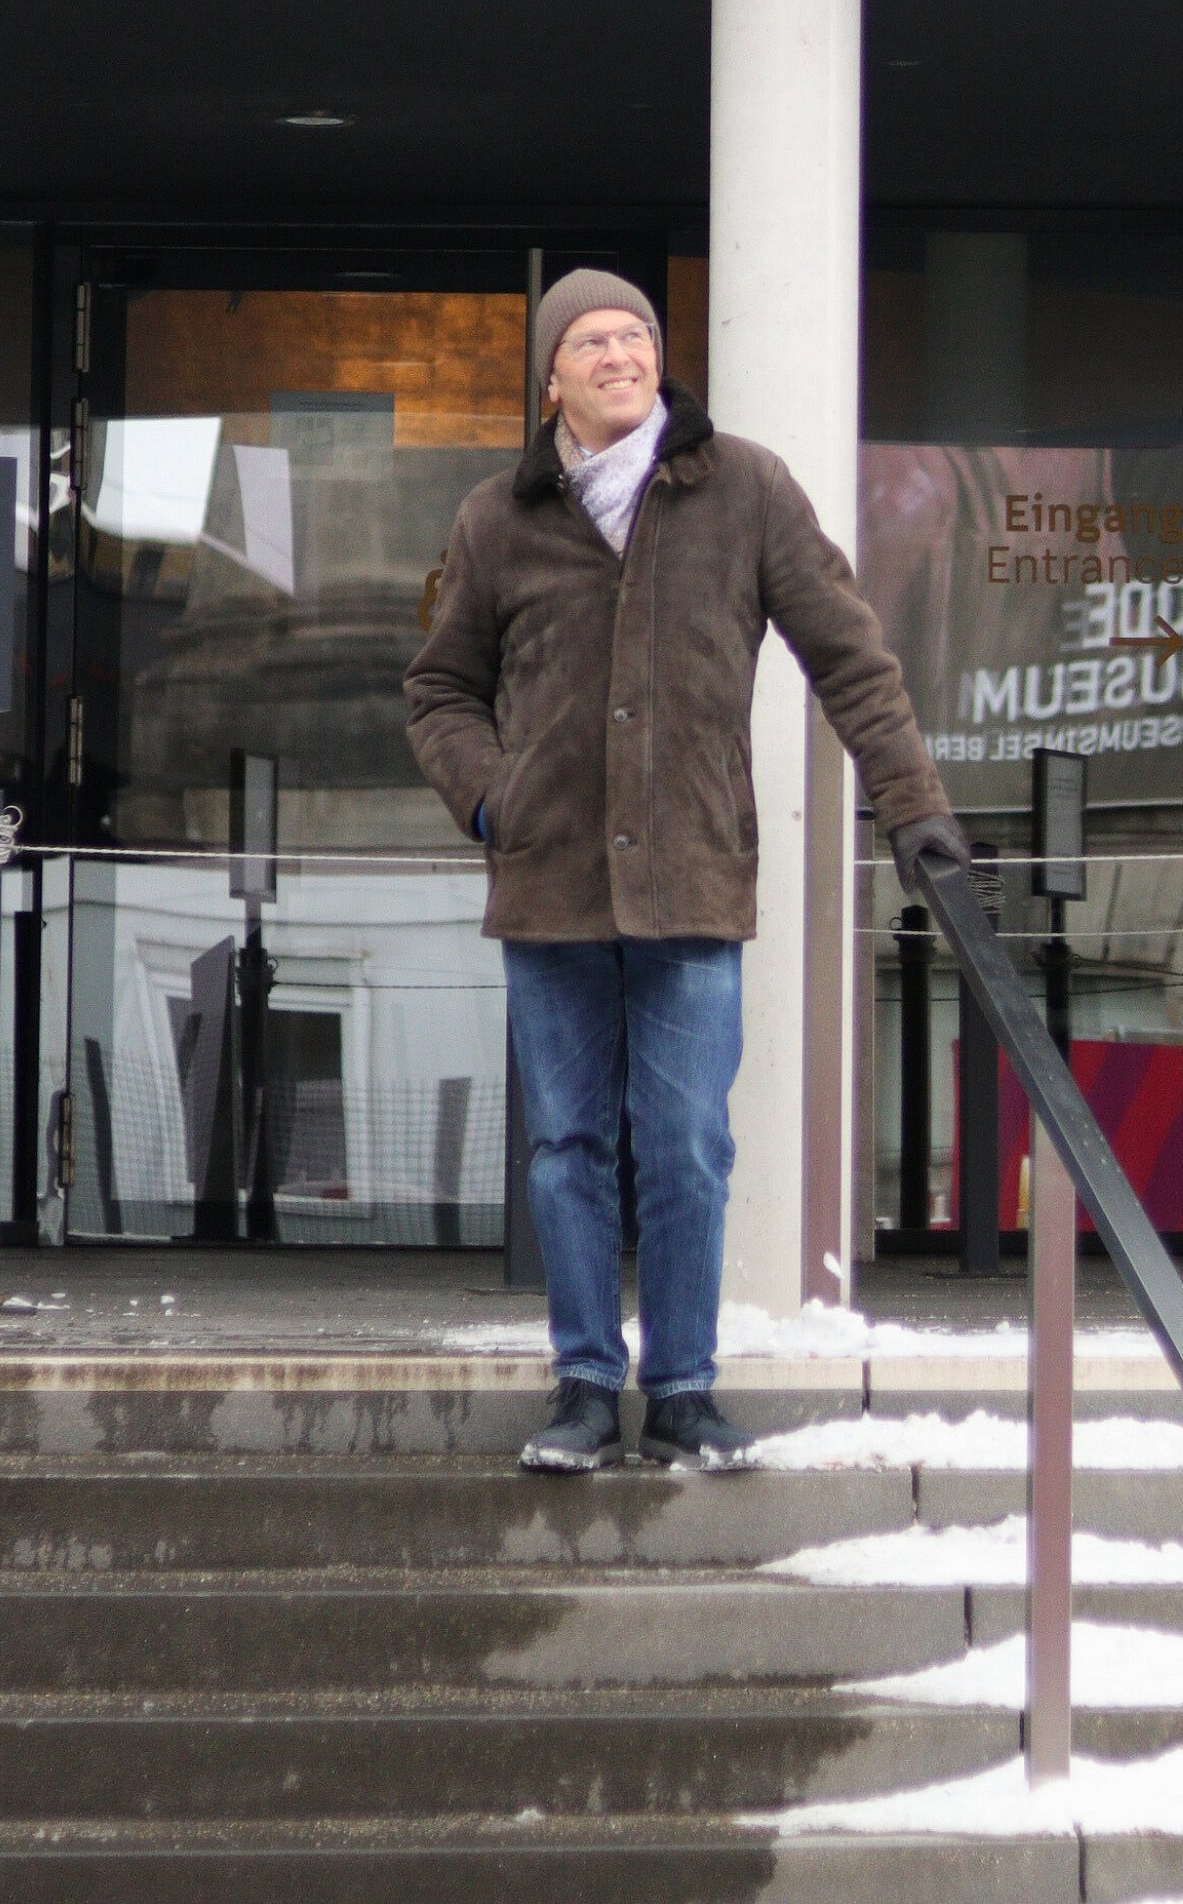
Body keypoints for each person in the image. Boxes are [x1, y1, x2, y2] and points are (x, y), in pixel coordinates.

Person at [405, 268, 969, 1474]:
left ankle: (684, 1390)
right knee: (566, 1146)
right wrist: (492, 795)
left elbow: (852, 658)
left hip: (693, 880)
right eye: (592, 339)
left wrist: (913, 804)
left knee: (687, 1145)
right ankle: (581, 1384)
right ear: (550, 373)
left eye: (639, 335)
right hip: (550, 883)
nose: (621, 353)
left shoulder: (747, 488)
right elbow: (439, 689)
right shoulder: (495, 517)